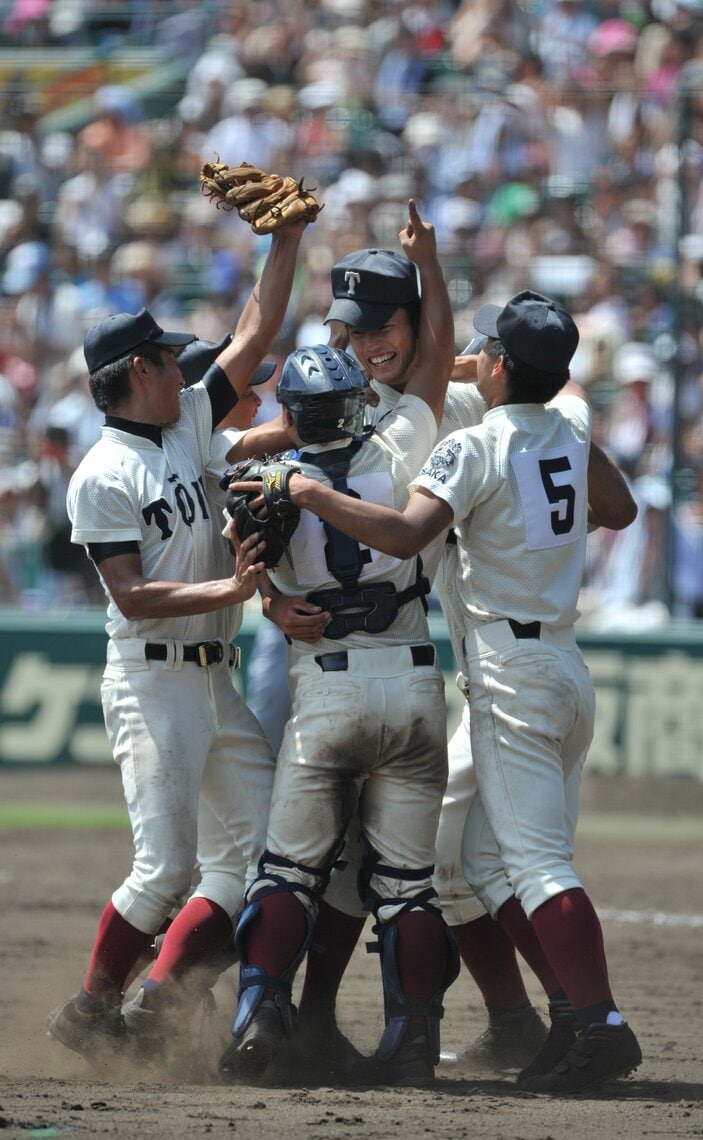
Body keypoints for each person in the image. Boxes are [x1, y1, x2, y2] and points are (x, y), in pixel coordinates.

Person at [272, 289, 643, 1095]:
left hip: (510, 676)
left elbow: (405, 533)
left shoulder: (470, 445)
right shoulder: (570, 427)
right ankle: (554, 1018)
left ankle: (598, 1020)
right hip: (562, 666)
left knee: (535, 863)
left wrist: (310, 493)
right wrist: (567, 421)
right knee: (467, 860)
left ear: (500, 364)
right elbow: (620, 506)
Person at [46, 221, 307, 1066]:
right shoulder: (102, 472)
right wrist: (229, 589)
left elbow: (255, 331)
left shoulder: (189, 423)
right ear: (139, 374)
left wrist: (287, 237)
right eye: (162, 355)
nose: (178, 365)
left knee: (266, 848)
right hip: (152, 681)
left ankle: (164, 992)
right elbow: (129, 592)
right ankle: (92, 1006)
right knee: (164, 867)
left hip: (213, 679)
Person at [219, 199, 460, 1088]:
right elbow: (434, 359)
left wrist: (277, 596)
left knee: (287, 869)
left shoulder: (259, 484)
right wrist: (428, 266)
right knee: (406, 885)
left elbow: (247, 554)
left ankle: (258, 1011)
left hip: (325, 684)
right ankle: (411, 1040)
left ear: (290, 410)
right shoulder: (402, 437)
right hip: (411, 676)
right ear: (355, 396)